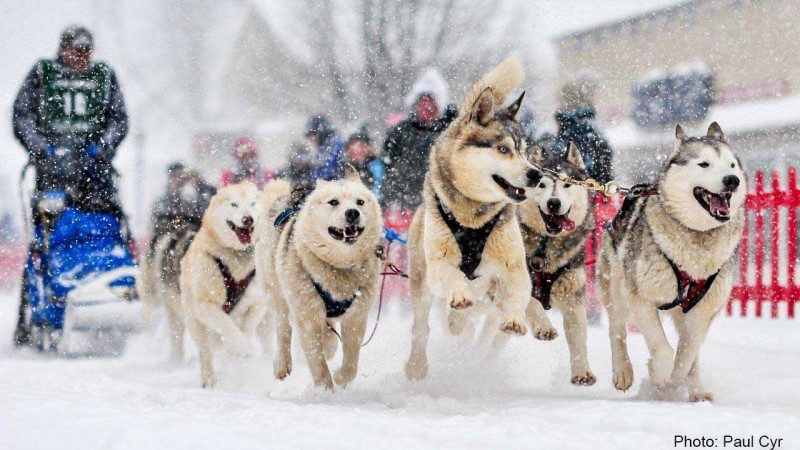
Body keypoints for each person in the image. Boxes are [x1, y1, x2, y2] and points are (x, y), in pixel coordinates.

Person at [12, 25, 129, 345]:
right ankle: (32, 317)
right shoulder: (42, 74)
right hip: (52, 173)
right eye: (76, 50)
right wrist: (40, 148)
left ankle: (115, 288)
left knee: (105, 227)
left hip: (96, 173)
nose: (81, 57)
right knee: (45, 242)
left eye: (86, 51)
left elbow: (119, 119)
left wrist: (103, 146)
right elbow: (21, 115)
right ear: (63, 49)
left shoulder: (104, 76)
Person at [382, 69, 457, 223]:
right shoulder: (401, 132)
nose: (426, 108)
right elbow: (386, 165)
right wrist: (389, 198)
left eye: (431, 103)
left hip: (440, 208)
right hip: (405, 207)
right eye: (423, 103)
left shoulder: (451, 133)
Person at [549, 78, 613, 185]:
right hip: (590, 184)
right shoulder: (585, 124)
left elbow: (585, 162)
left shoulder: (571, 125)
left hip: (577, 184)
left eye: (561, 100)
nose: (559, 105)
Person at [149, 162, 216, 246]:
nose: (178, 180)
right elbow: (159, 221)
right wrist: (178, 223)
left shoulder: (195, 195)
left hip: (193, 235)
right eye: (175, 177)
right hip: (172, 237)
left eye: (181, 177)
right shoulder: (162, 201)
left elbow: (202, 213)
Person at [343, 126, 384, 200]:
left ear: (367, 147)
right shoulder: (347, 166)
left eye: (358, 146)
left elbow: (378, 187)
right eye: (351, 147)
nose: (354, 150)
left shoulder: (375, 165)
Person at [306, 115, 345, 182]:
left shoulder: (335, 145)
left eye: (312, 135)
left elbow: (326, 174)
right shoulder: (322, 149)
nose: (310, 140)